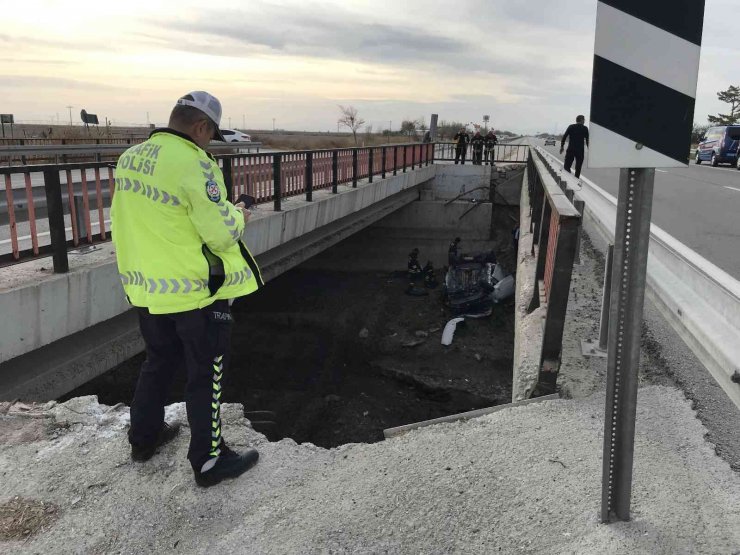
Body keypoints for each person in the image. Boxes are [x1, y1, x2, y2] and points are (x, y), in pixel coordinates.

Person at [111, 91, 264, 488]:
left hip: (148, 288)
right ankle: (210, 461)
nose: (209, 142)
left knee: (157, 363)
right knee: (205, 374)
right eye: (210, 134)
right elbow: (222, 233)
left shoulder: (131, 158)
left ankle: (143, 440)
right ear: (201, 127)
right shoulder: (195, 163)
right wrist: (240, 212)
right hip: (196, 293)